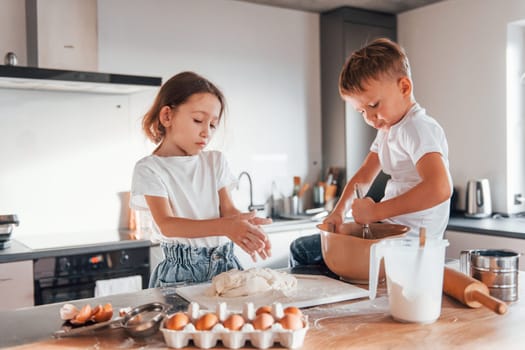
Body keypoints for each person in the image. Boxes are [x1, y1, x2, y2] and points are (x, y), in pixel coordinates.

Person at [290, 38, 452, 267]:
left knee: (303, 251)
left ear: (404, 87)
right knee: (312, 250)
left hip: (410, 243)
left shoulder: (417, 127)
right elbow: (365, 174)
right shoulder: (388, 129)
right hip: (389, 233)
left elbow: (440, 188)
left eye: (374, 105)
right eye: (361, 111)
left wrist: (376, 211)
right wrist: (338, 212)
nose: (369, 118)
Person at [130, 71, 272, 287]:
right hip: (180, 273)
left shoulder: (215, 161)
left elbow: (228, 210)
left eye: (213, 125)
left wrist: (241, 223)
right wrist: (226, 227)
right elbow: (168, 225)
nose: (207, 132)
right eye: (198, 120)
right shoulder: (150, 168)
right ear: (167, 116)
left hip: (226, 266)